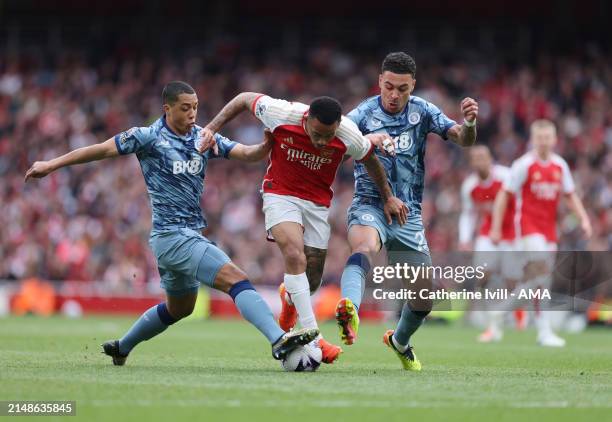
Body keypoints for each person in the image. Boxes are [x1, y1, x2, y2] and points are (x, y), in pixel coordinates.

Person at [24, 81, 319, 365]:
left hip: (179, 239)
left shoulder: (203, 137)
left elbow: (245, 153)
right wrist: (51, 165)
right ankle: (278, 340)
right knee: (236, 279)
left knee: (180, 308)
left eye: (196, 107)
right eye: (185, 108)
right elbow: (101, 149)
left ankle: (122, 347)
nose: (192, 114)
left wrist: (266, 145)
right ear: (168, 109)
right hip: (173, 236)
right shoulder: (147, 137)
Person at [198, 93, 407, 363]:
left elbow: (370, 161)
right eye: (317, 134)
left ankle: (289, 298)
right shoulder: (281, 113)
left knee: (312, 278)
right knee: (294, 255)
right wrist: (211, 128)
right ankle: (315, 337)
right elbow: (242, 99)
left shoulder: (348, 134)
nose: (322, 142)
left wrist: (388, 196)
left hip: (317, 204)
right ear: (306, 119)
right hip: (280, 194)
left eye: (328, 136)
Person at [336, 52, 478, 370]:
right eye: (389, 87)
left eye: (402, 88)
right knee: (365, 246)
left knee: (424, 300)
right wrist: (365, 141)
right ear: (380, 83)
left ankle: (399, 341)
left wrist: (469, 123)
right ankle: (349, 308)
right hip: (370, 205)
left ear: (413, 85)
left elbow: (463, 140)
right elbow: (332, 149)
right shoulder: (363, 114)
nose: (394, 95)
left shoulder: (423, 111)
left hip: (408, 215)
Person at [490, 119, 592, 347]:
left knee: (540, 281)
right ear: (533, 140)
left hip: (549, 230)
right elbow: (504, 195)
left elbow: (570, 195)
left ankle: (502, 311)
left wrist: (584, 218)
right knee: (541, 274)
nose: (544, 142)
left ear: (555, 140)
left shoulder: (559, 166)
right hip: (527, 227)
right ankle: (542, 330)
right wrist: (496, 227)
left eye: (548, 138)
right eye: (540, 138)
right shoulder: (523, 165)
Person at [459, 145, 523, 342]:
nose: (479, 161)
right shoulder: (470, 186)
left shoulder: (505, 176)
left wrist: (524, 228)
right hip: (488, 233)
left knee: (512, 280)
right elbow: (468, 213)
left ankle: (518, 313)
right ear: (471, 163)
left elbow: (521, 201)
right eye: (475, 158)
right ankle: (491, 325)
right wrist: (464, 238)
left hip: (512, 232)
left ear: (490, 159)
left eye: (483, 157)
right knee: (482, 276)